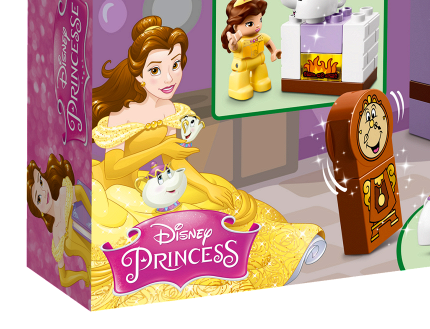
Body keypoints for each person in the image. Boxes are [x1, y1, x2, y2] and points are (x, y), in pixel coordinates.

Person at [89, 16, 325, 308]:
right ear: (139, 76)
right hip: (116, 191)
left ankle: (283, 248)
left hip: (152, 182)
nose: (169, 78)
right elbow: (113, 169)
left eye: (176, 65)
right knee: (165, 229)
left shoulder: (169, 110)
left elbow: (176, 161)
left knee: (223, 198)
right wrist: (160, 147)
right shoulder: (120, 117)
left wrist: (205, 186)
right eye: (156, 70)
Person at [27, 153, 92, 288]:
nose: (44, 192)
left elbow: (81, 192)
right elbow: (64, 279)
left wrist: (96, 221)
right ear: (37, 210)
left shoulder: (64, 195)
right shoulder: (56, 235)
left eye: (40, 181)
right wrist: (83, 275)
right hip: (93, 268)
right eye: (38, 198)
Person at [221, 0, 281, 101]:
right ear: (235, 27)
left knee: (262, 76)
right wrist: (233, 43)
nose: (257, 26)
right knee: (241, 78)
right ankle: (240, 88)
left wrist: (274, 51)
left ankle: (260, 81)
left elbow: (268, 43)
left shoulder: (261, 36)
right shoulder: (240, 41)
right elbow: (235, 48)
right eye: (250, 23)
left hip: (259, 61)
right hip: (244, 64)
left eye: (260, 20)